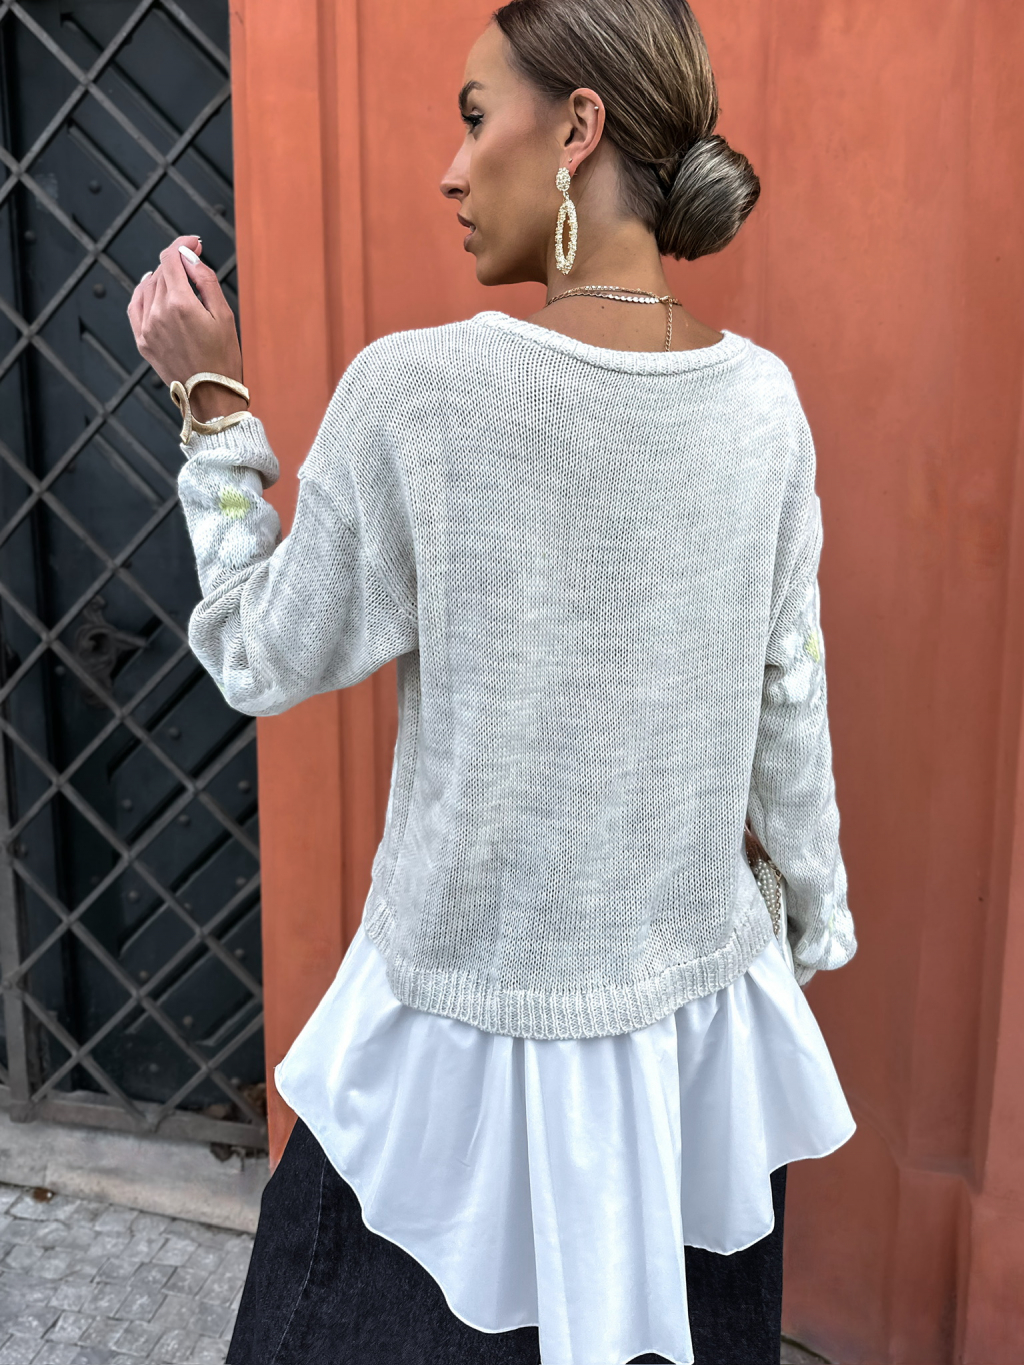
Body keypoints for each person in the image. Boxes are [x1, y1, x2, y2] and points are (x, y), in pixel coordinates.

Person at [127, 1, 857, 1361]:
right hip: (693, 1063)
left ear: (577, 127)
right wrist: (809, 924)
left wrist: (212, 405)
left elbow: (257, 651)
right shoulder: (765, 405)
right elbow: (791, 701)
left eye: (475, 120)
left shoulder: (419, 394)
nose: (452, 172)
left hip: (453, 1071)